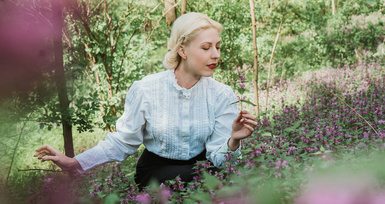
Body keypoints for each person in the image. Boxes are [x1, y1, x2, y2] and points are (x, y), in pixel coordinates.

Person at [34, 12, 257, 189]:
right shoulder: (147, 89)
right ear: (182, 50)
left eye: (218, 47)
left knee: (214, 183)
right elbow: (123, 141)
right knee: (199, 185)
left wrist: (234, 140)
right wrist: (76, 163)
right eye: (206, 48)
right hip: (156, 172)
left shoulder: (222, 95)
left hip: (202, 170)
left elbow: (223, 161)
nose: (216, 55)